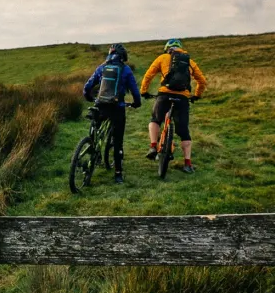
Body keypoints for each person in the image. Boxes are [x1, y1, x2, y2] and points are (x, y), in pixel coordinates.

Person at [140, 38, 206, 174]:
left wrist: (144, 91)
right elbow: (202, 81)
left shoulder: (162, 57)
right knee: (184, 131)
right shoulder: (190, 62)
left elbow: (148, 75)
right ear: (181, 49)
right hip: (182, 98)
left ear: (167, 49)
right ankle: (187, 164)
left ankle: (153, 147)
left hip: (164, 95)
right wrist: (197, 95)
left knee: (155, 120)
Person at [83, 43, 141, 184]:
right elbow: (134, 91)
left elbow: (88, 86)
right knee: (118, 140)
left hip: (100, 105)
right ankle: (118, 174)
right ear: (123, 57)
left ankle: (92, 152)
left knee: (95, 130)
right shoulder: (125, 69)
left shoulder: (102, 67)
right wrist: (136, 103)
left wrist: (89, 97)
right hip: (117, 108)